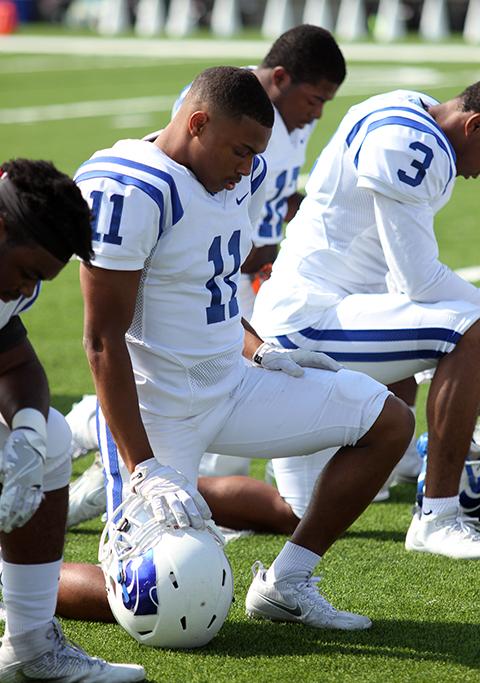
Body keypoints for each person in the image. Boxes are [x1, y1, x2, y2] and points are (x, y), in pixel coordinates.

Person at [56, 66, 413, 628]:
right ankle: (21, 577)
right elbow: (102, 340)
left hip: (234, 379)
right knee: (176, 601)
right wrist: (144, 465)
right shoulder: (129, 186)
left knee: (387, 421)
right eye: (240, 151)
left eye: (255, 155)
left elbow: (213, 286)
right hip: (158, 410)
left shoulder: (235, 172)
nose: (248, 168)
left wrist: (262, 350)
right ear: (197, 124)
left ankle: (288, 584)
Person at [251, 82, 480, 559]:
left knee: (297, 510)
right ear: (474, 126)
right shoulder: (413, 142)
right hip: (307, 322)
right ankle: (438, 515)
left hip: (322, 308)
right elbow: (419, 280)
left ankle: (398, 461)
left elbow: (403, 282)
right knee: (471, 331)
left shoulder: (404, 102)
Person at [0, 159, 145, 681]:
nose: (23, 290)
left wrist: (28, 436)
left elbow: (13, 360)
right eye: (26, 273)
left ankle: (30, 646)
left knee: (53, 438)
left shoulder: (9, 280)